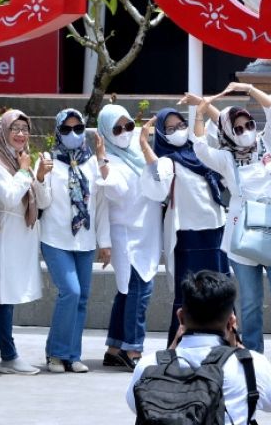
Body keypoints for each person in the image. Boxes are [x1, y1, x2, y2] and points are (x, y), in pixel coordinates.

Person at [185, 83, 271, 377]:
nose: (246, 130)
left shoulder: (270, 144)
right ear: (228, 134)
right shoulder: (226, 159)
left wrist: (248, 88)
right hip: (243, 236)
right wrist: (200, 112)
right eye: (237, 128)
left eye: (248, 124)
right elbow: (200, 147)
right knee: (250, 301)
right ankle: (252, 355)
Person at [126, 270, 271, 423]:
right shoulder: (250, 366)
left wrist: (171, 350)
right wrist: (239, 346)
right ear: (231, 322)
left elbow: (137, 406)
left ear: (180, 317)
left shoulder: (149, 365)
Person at [0, 110, 50, 375]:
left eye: (24, 129)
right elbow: (8, 196)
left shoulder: (21, 160)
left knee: (4, 294)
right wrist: (27, 170)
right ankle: (8, 355)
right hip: (4, 233)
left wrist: (37, 177)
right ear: (2, 131)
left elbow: (45, 202)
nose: (20, 134)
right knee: (3, 293)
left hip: (24, 233)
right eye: (14, 128)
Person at [40, 109, 112, 373]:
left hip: (85, 240)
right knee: (70, 291)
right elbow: (43, 202)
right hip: (55, 237)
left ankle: (73, 354)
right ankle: (56, 353)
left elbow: (101, 204)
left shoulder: (92, 162)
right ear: (58, 132)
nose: (73, 134)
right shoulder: (49, 159)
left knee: (82, 298)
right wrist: (39, 178)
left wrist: (105, 242)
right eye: (67, 129)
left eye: (78, 129)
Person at [152, 93, 228, 346]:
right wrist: (143, 145)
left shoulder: (200, 154)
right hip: (187, 234)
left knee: (220, 290)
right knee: (189, 294)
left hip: (216, 229)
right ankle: (180, 345)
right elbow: (156, 185)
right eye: (170, 129)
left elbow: (223, 131)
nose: (177, 131)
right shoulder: (166, 161)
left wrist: (201, 107)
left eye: (180, 125)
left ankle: (225, 342)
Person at [99, 103, 167, 370]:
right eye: (117, 128)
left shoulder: (138, 152)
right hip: (127, 234)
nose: (124, 132)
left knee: (127, 292)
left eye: (128, 125)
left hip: (146, 231)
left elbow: (159, 183)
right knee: (140, 290)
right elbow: (114, 190)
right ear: (105, 132)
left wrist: (144, 143)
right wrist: (103, 162)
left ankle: (115, 346)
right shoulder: (108, 159)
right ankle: (133, 349)